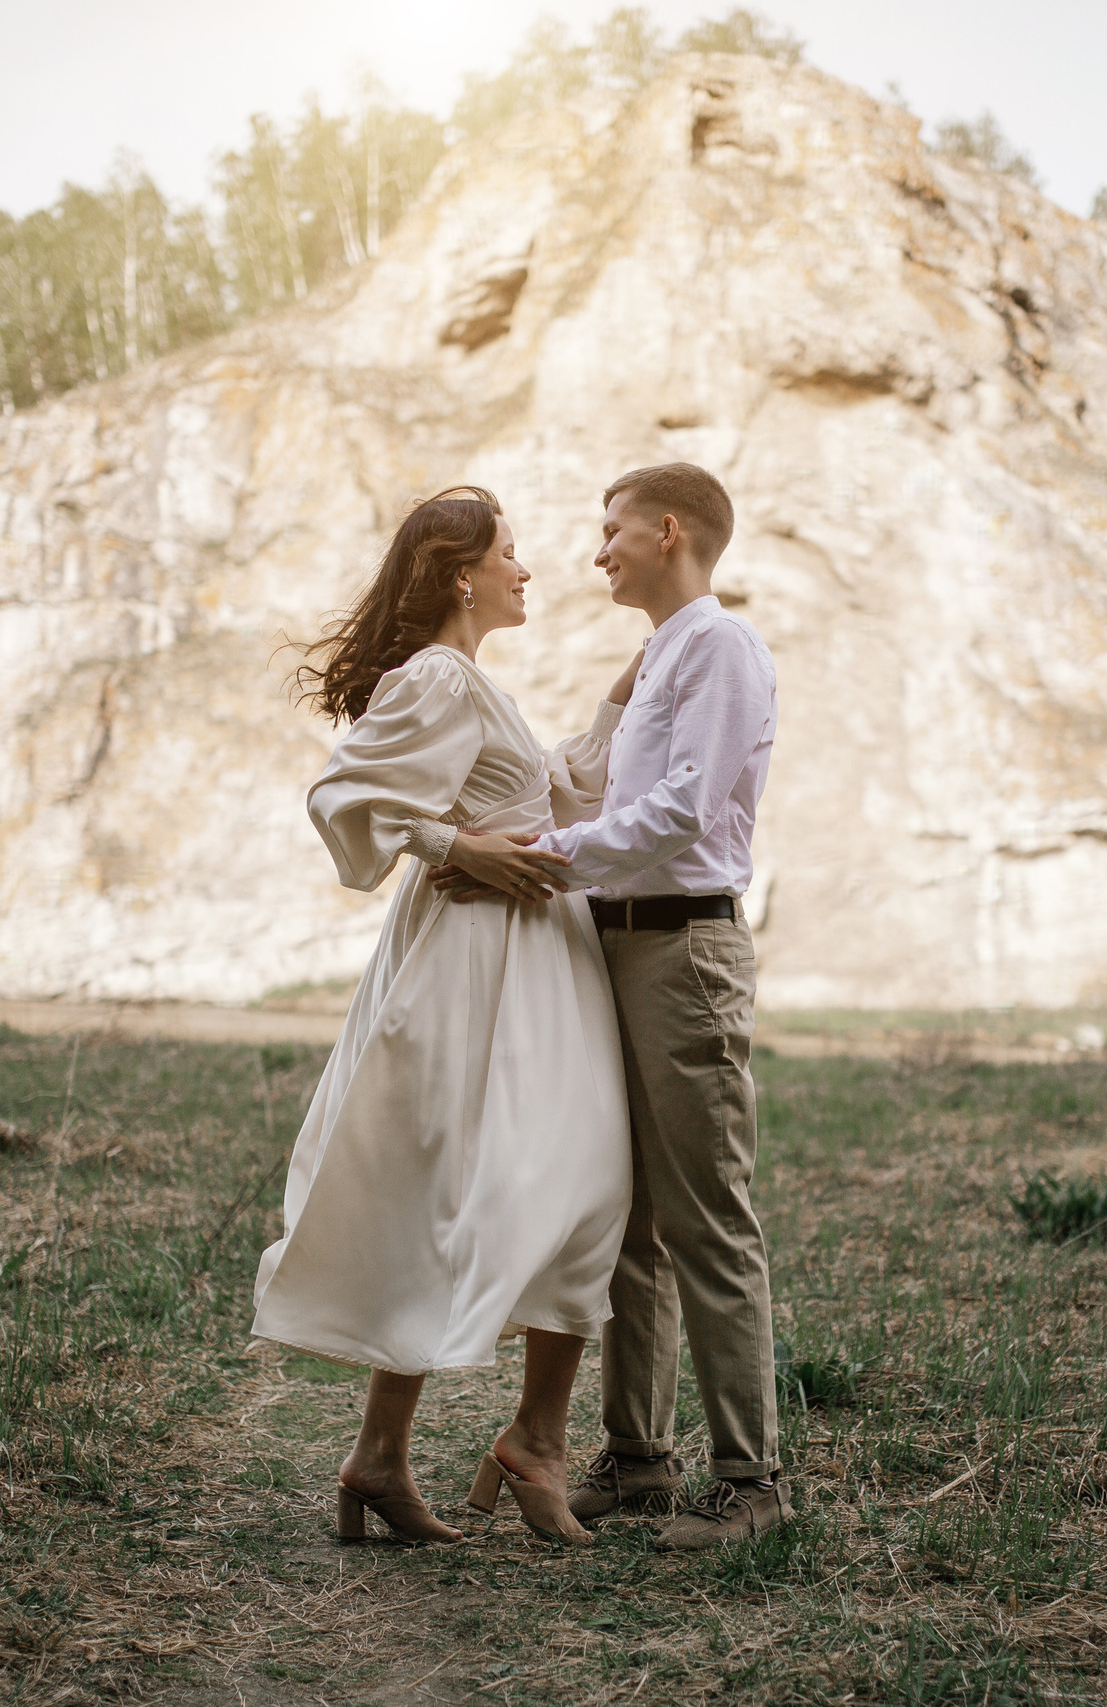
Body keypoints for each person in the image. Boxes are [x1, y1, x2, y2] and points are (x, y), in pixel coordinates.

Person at [254, 486, 640, 1547]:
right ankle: (462, 1449)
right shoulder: (435, 674)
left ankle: (435, 1452)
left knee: (565, 1184)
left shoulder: (472, 683)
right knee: (500, 1183)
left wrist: (622, 696)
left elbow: (548, 800)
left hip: (536, 961)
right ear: (459, 573)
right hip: (479, 960)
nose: (529, 569)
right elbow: (344, 797)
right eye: (511, 553)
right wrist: (454, 848)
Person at [435, 463, 786, 1551]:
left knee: (706, 1219)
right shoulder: (658, 661)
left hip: (684, 951)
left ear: (667, 530)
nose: (596, 552)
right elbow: (603, 792)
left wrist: (540, 856)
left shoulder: (719, 647)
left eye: (611, 530)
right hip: (620, 948)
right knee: (629, 1222)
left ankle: (753, 1487)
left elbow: (680, 813)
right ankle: (639, 1463)